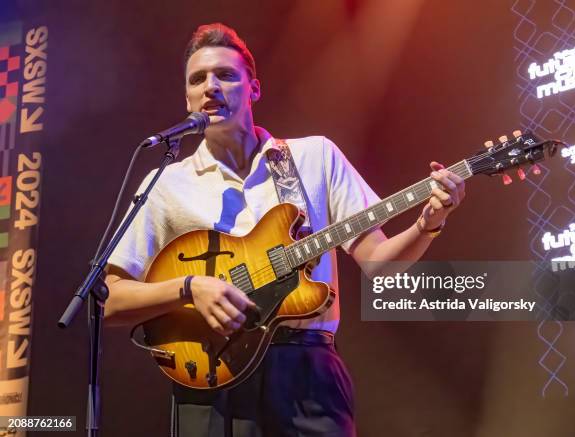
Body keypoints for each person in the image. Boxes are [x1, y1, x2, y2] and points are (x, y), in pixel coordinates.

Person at [104, 23, 465, 437]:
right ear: (186, 96)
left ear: (254, 89)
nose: (210, 87)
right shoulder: (167, 183)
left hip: (305, 373)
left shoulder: (315, 157)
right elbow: (110, 300)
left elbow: (379, 267)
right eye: (197, 79)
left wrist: (428, 222)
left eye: (225, 75)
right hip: (210, 374)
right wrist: (189, 287)